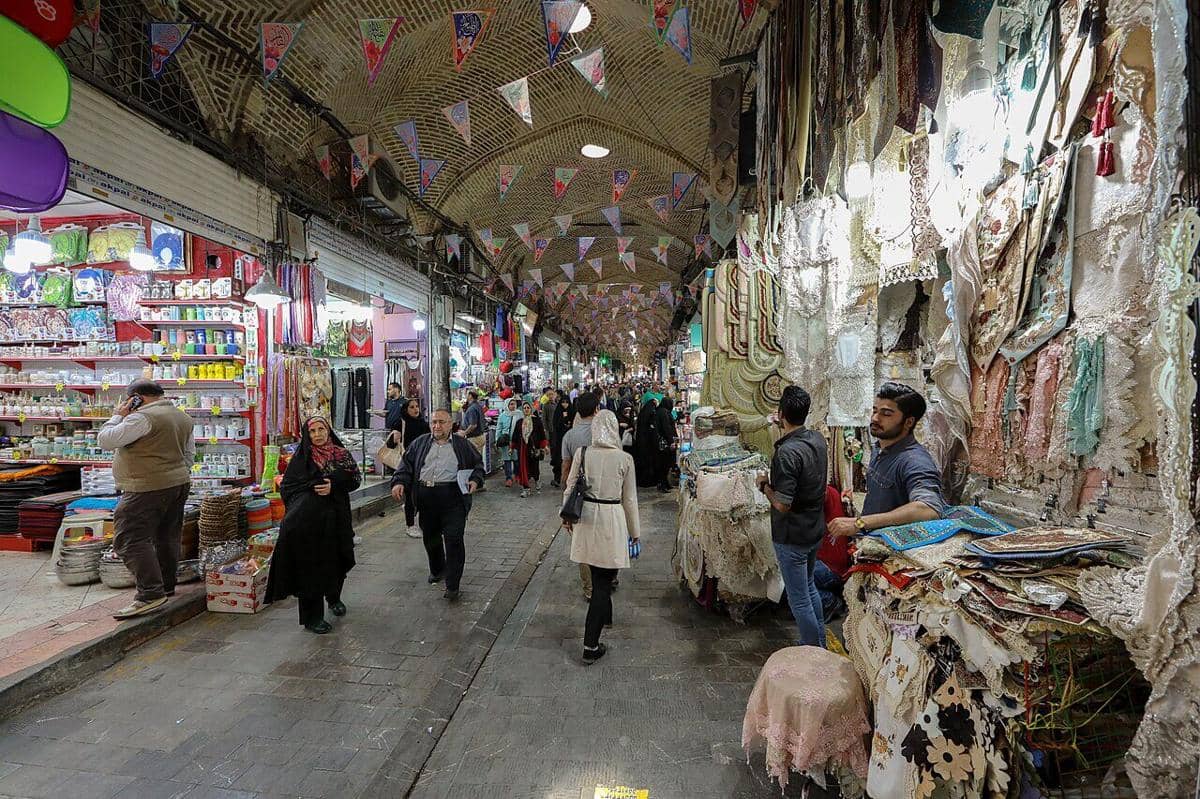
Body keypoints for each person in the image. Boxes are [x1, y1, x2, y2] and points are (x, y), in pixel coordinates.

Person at [98, 379, 195, 620]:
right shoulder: (182, 417)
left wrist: (117, 415)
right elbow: (189, 454)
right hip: (177, 483)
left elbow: (105, 440)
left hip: (145, 486)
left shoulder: (141, 418)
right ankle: (165, 585)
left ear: (135, 398)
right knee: (166, 535)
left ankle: (150, 594)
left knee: (129, 538)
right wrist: (176, 472)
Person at [264, 417, 360, 634]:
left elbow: (355, 480)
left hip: (336, 520)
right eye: (313, 431)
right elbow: (288, 488)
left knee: (337, 560)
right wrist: (311, 491)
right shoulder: (301, 459)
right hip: (309, 526)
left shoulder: (341, 454)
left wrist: (333, 486)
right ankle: (312, 618)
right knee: (311, 569)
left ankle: (334, 598)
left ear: (328, 430)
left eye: (321, 429)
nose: (318, 434)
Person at [562, 410, 641, 665]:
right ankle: (590, 645)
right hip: (612, 518)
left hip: (586, 519)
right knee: (603, 582)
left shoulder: (582, 454)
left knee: (597, 575)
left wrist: (566, 516)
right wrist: (635, 533)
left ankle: (605, 617)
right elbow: (629, 499)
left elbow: (570, 486)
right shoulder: (624, 459)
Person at [757, 386, 829, 647]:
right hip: (813, 529)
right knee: (809, 588)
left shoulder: (787, 453)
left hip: (793, 534)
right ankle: (820, 642)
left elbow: (783, 504)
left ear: (780, 414)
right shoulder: (818, 439)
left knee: (799, 598)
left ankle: (812, 650)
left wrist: (764, 486)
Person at [827, 382, 946, 538]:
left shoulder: (914, 460)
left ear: (909, 422)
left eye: (886, 414)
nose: (875, 418)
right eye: (875, 410)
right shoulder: (880, 447)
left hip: (893, 554)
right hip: (870, 543)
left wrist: (860, 523)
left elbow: (929, 508)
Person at [391, 409, 485, 602]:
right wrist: (399, 482)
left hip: (453, 498)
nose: (437, 426)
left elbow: (478, 465)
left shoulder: (462, 445)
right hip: (427, 498)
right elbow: (405, 466)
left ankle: (452, 585)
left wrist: (475, 480)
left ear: (451, 424)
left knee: (454, 539)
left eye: (441, 422)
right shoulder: (420, 443)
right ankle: (437, 569)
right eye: (434, 422)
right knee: (431, 537)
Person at [560, 392, 600, 598]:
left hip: (577, 496)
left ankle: (589, 588)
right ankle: (606, 578)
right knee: (602, 539)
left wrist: (565, 501)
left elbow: (566, 469)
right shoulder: (604, 434)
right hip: (603, 495)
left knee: (583, 544)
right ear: (596, 410)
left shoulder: (569, 436)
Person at [394, 398, 430, 539]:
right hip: (407, 465)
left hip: (423, 464)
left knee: (421, 493)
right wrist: (394, 436)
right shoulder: (400, 423)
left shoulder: (423, 424)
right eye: (412, 407)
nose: (415, 409)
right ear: (405, 409)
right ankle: (410, 525)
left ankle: (419, 519)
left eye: (417, 406)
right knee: (409, 495)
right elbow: (391, 444)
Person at [511, 402, 549, 498]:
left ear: (531, 409)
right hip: (522, 449)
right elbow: (515, 436)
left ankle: (536, 480)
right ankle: (526, 488)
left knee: (534, 466)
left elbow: (541, 434)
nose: (526, 409)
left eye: (528, 407)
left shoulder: (537, 421)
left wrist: (544, 446)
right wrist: (511, 447)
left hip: (533, 448)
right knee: (523, 468)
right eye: (524, 408)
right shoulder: (519, 422)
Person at [633, 396, 661, 488]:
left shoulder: (643, 413)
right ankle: (648, 480)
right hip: (648, 443)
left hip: (642, 442)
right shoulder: (651, 414)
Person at [655, 396, 678, 492]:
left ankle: (665, 483)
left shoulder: (660, 411)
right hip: (665, 443)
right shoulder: (664, 412)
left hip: (663, 441)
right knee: (665, 464)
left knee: (665, 464)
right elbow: (666, 428)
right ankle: (662, 484)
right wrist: (671, 441)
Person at [497, 398, 520, 488]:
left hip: (516, 441)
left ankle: (517, 474)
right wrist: (497, 440)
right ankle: (509, 478)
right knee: (507, 461)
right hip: (506, 441)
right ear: (507, 405)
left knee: (516, 460)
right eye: (510, 404)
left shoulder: (519, 414)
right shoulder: (502, 416)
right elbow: (499, 428)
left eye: (514, 404)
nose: (512, 406)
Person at [550, 393, 573, 487]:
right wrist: (563, 419)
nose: (565, 404)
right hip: (559, 440)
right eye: (563, 402)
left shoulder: (572, 411)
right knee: (559, 460)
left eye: (566, 402)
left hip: (570, 440)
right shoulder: (558, 411)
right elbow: (555, 424)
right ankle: (557, 478)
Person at [458, 390, 487, 456]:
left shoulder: (472, 408)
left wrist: (464, 433)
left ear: (470, 396)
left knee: (473, 460)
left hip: (474, 438)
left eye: (467, 394)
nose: (466, 396)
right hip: (479, 437)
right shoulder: (477, 406)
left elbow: (473, 425)